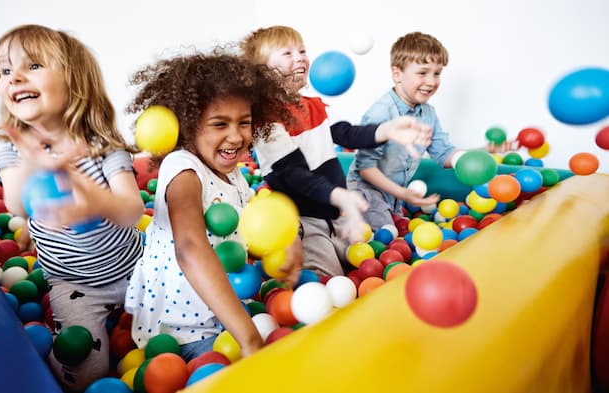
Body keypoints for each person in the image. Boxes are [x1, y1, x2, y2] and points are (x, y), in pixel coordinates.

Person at [0, 24, 145, 392]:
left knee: (188, 330)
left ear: (74, 81)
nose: (15, 78)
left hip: (137, 268)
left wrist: (94, 199)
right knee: (86, 369)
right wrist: (35, 163)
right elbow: (15, 204)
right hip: (74, 283)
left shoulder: (103, 148)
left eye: (33, 65)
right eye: (5, 71)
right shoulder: (12, 153)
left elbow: (131, 211)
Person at [124, 49, 302, 362]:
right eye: (220, 124)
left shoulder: (234, 175)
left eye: (244, 123)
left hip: (227, 312)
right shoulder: (182, 169)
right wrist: (247, 336)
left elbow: (253, 231)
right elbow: (190, 247)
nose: (235, 136)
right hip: (181, 329)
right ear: (187, 125)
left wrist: (287, 244)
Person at [240, 25, 432, 277]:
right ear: (262, 71)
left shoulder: (313, 105)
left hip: (338, 215)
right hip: (305, 222)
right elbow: (292, 174)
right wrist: (338, 195)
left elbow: (345, 132)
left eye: (302, 50)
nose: (300, 57)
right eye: (287, 53)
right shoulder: (267, 121)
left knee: (371, 268)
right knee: (329, 282)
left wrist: (387, 130)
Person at [346, 32, 513, 231]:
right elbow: (366, 169)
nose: (431, 81)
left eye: (437, 73)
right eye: (423, 73)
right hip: (365, 193)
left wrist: (483, 152)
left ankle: (394, 219)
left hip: (394, 196)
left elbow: (444, 154)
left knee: (402, 232)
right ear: (397, 74)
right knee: (386, 236)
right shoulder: (381, 113)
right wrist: (403, 193)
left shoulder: (428, 114)